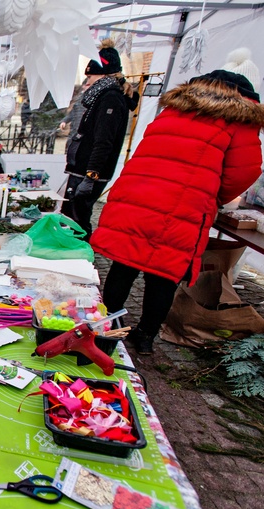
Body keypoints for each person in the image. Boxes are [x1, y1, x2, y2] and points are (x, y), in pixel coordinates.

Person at [90, 70, 264, 354]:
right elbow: (243, 173)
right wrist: (211, 195)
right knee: (164, 273)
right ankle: (144, 337)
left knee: (125, 263)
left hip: (138, 195)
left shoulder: (175, 110)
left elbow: (149, 151)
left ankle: (107, 326)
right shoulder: (240, 120)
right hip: (184, 206)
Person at [61, 39, 131, 240]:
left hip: (88, 173)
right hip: (82, 170)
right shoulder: (103, 97)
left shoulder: (110, 98)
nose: (87, 82)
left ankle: (81, 256)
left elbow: (104, 142)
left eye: (90, 76)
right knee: (72, 217)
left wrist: (91, 176)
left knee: (78, 220)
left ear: (103, 74)